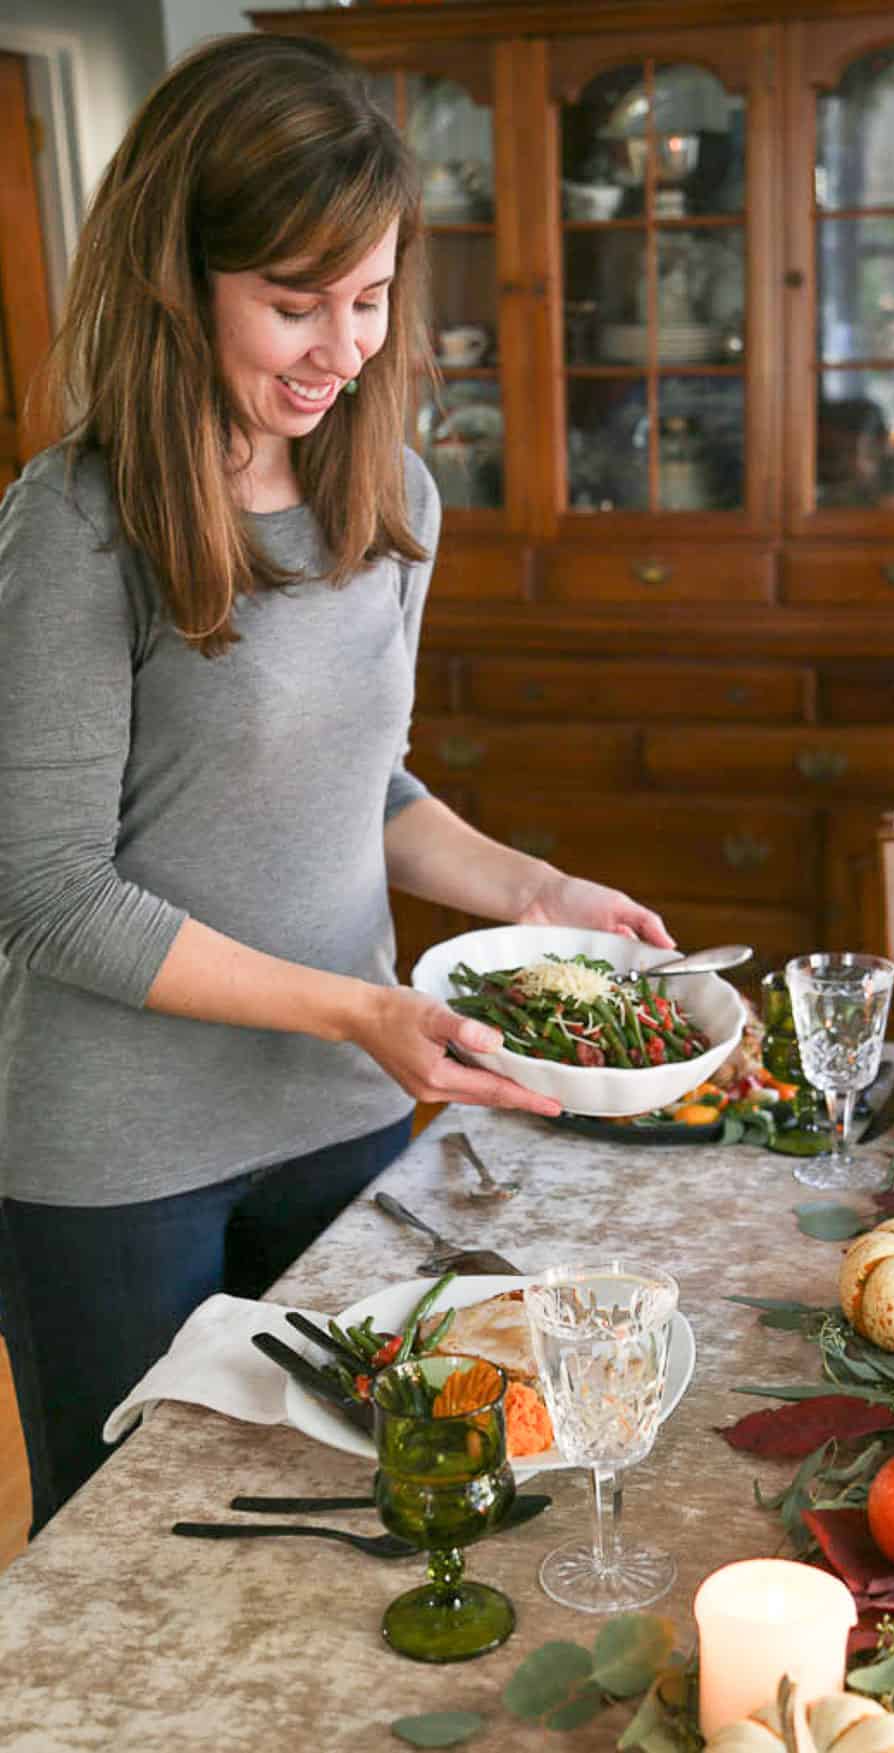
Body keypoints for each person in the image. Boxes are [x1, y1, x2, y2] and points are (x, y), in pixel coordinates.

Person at [0, 32, 673, 1534]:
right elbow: (47, 893)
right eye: (291, 303)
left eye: (368, 299)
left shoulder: (391, 497)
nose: (341, 346)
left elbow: (359, 786)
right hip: (115, 1160)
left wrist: (539, 892)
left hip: (342, 1112)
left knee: (376, 1526)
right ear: (182, 279)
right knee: (135, 1565)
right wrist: (358, 1006)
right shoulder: (75, 525)